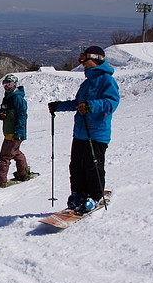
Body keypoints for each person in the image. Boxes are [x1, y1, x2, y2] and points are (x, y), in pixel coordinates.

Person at [48, 46, 120, 212]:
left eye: (84, 59)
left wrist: (90, 106)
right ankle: (77, 193)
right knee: (76, 166)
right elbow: (77, 104)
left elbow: (112, 102)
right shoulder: (87, 83)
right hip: (80, 132)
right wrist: (58, 106)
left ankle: (94, 195)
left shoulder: (107, 81)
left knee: (93, 166)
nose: (82, 63)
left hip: (97, 133)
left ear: (96, 59)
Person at [0, 74, 31, 188]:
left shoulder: (17, 98)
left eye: (9, 83)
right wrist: (1, 115)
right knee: (15, 152)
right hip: (9, 131)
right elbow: (2, 112)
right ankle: (23, 173)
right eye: (4, 84)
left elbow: (22, 116)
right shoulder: (7, 97)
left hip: (15, 133)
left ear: (15, 84)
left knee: (5, 156)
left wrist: (19, 133)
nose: (6, 86)